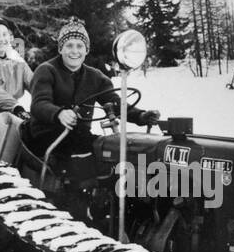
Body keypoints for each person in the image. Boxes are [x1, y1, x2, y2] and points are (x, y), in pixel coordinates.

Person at [25, 18, 160, 176]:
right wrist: (59, 113)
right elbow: (39, 104)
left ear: (86, 50)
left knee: (114, 150)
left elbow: (115, 103)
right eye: (69, 45)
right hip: (47, 136)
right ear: (60, 49)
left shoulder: (95, 76)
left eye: (80, 46)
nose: (75, 51)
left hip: (80, 136)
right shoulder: (46, 70)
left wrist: (141, 115)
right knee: (93, 157)